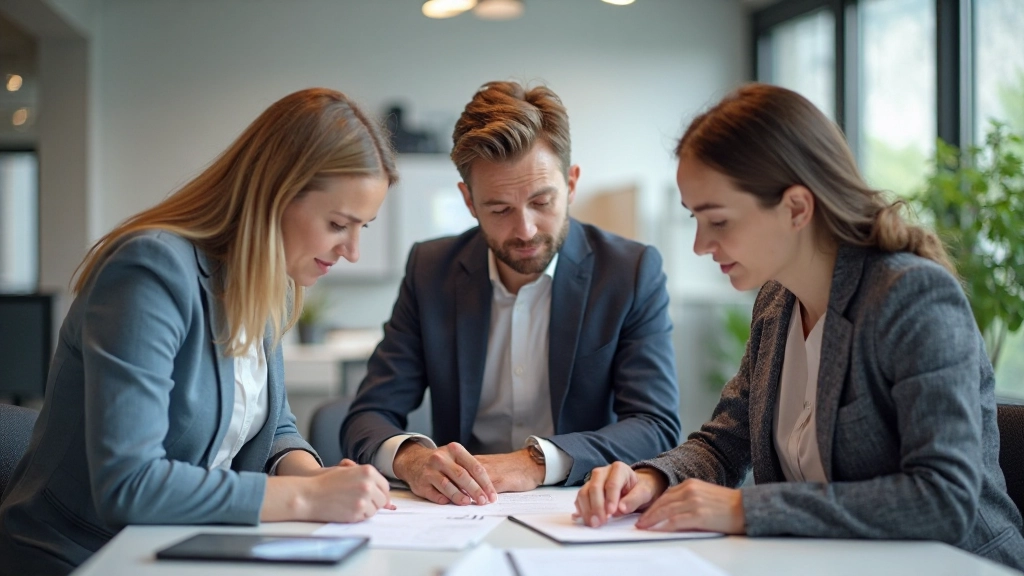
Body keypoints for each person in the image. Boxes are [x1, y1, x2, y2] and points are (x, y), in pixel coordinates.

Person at [574, 83, 1024, 570]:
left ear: (795, 207)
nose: (700, 245)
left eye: (718, 221)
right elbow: (726, 440)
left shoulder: (912, 298)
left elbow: (943, 499)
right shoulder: (776, 299)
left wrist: (744, 508)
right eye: (695, 220)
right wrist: (653, 479)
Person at [0, 88, 399, 575]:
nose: (352, 250)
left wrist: (315, 476)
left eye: (364, 227)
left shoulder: (266, 280)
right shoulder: (148, 271)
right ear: (275, 193)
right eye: (339, 224)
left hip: (185, 546)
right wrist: (306, 496)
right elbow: (130, 484)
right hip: (82, 556)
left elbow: (273, 427)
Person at [341, 81, 681, 505]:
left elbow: (655, 424)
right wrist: (412, 459)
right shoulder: (431, 271)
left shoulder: (629, 272)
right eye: (499, 209)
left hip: (578, 505)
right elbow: (368, 414)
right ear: (468, 201)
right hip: (461, 509)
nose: (525, 230)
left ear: (571, 184)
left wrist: (534, 462)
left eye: (542, 202)